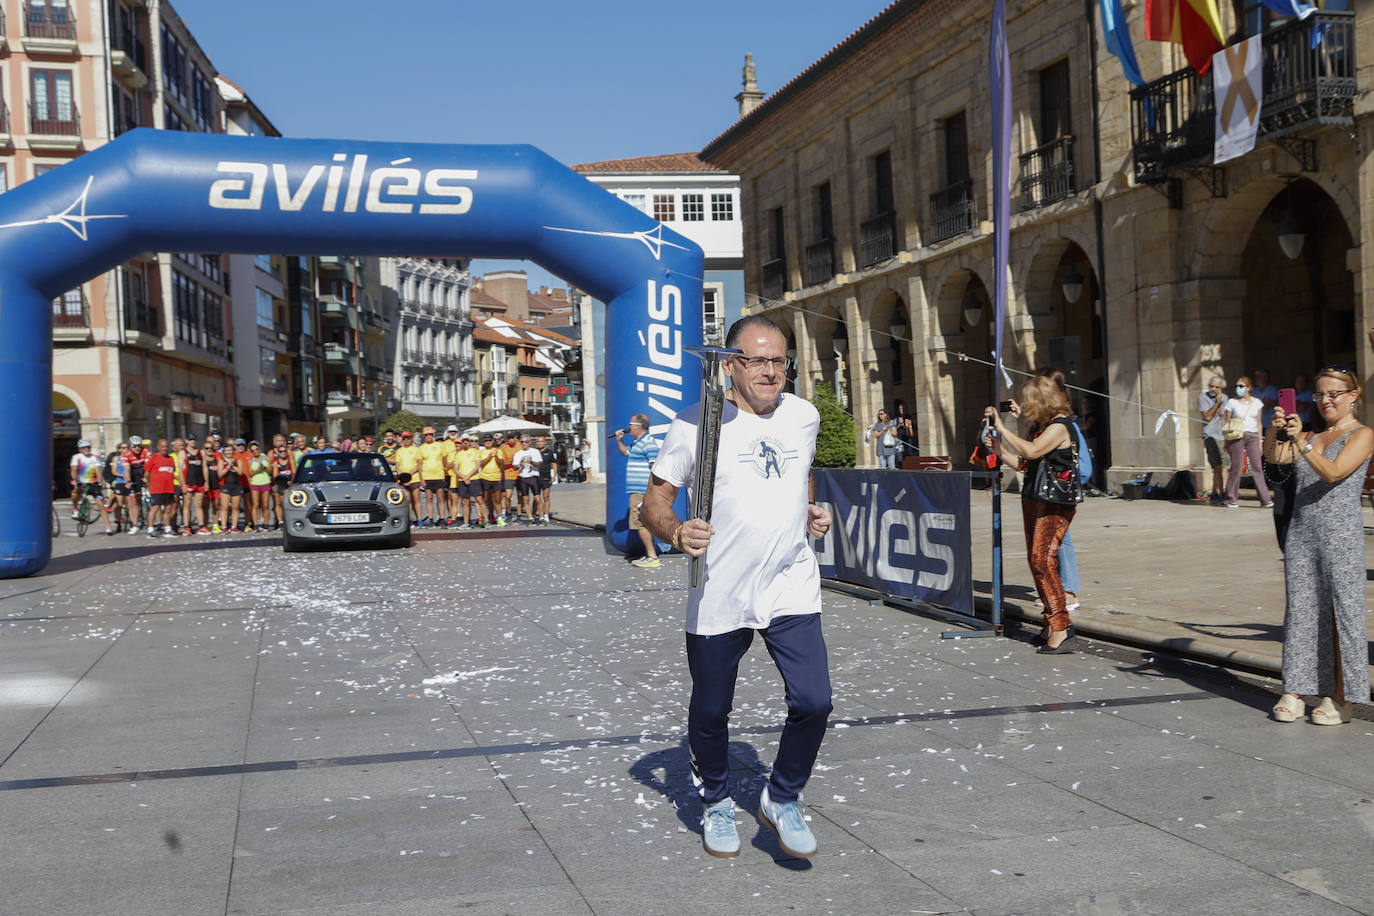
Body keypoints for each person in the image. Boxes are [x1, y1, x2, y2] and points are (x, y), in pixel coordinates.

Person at [640, 315, 833, 859]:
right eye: (758, 361)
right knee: (710, 709)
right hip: (721, 588)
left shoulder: (804, 416)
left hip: (790, 581)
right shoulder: (696, 423)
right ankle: (717, 800)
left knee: (815, 700)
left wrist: (808, 510)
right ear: (730, 366)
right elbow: (652, 503)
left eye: (780, 361)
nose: (772, 372)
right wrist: (677, 530)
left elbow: (801, 474)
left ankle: (782, 795)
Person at [1270, 366, 1373, 726]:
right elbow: (1276, 460)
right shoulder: (1312, 435)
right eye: (1319, 394)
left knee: (1342, 613)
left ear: (1352, 396)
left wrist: (1302, 444)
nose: (1326, 400)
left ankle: (1340, 698)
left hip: (1340, 535)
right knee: (1300, 610)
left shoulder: (1363, 435)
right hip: (1302, 533)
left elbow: (1333, 472)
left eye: (1334, 394)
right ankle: (1295, 690)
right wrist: (1276, 429)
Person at [984, 375, 1081, 653]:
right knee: (1037, 561)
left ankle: (1061, 627)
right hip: (1035, 499)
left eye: (1029, 402)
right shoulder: (1045, 427)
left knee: (1042, 560)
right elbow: (1025, 463)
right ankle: (1054, 622)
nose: (1026, 407)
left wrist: (1002, 427)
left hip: (1054, 503)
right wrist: (1000, 451)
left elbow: (1032, 450)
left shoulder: (1061, 427)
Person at [615, 414, 660, 568]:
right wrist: (619, 440)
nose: (629, 427)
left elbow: (655, 467)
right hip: (636, 490)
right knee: (643, 522)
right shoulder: (637, 443)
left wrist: (652, 491)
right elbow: (624, 452)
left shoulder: (648, 443)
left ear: (638, 426)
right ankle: (650, 554)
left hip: (642, 490)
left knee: (640, 522)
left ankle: (652, 556)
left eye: (630, 424)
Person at [1223, 376, 1273, 509]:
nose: (1238, 388)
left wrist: (1261, 441)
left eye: (1241, 386)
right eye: (1237, 386)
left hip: (1253, 437)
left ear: (1249, 387)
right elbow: (1227, 423)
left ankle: (1265, 499)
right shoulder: (1231, 402)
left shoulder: (1257, 402)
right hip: (1237, 436)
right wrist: (1226, 442)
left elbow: (1259, 423)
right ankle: (1231, 498)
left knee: (1257, 468)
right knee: (1236, 468)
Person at [69, 439, 113, 534]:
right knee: (74, 493)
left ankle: (108, 526)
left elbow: (98, 471)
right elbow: (73, 470)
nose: (87, 449)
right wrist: (74, 480)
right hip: (81, 483)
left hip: (93, 484)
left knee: (100, 503)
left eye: (88, 447)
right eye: (84, 447)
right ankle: (75, 509)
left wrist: (100, 481)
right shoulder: (76, 457)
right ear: (80, 449)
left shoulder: (95, 457)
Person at [1198, 376, 1228, 505]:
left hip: (1223, 435)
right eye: (1211, 386)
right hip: (1210, 436)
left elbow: (1227, 417)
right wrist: (1217, 403)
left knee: (1222, 467)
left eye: (1217, 387)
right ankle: (1220, 493)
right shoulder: (1202, 398)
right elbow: (1208, 417)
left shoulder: (1226, 398)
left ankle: (1216, 494)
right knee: (1217, 466)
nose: (1213, 389)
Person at [144, 438, 177, 537]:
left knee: (168, 509)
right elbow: (146, 473)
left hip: (169, 488)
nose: (165, 448)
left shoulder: (170, 459)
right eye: (162, 446)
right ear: (158, 447)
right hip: (156, 488)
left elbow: (171, 472)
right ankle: (150, 529)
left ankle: (167, 528)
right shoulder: (153, 458)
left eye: (166, 446)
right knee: (155, 508)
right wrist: (147, 483)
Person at [417, 426, 447, 527]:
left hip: (438, 475)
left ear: (433, 435)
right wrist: (421, 478)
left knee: (440, 498)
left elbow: (444, 459)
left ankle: (442, 518)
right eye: (426, 435)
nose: (428, 436)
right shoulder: (421, 448)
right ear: (424, 436)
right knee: (429, 498)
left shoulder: (439, 445)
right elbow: (420, 464)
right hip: (427, 476)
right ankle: (430, 518)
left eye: (430, 434)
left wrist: (443, 470)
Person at [511, 434, 542, 522]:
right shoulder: (518, 453)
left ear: (530, 442)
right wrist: (520, 463)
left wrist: (531, 461)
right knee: (525, 499)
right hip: (523, 477)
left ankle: (541, 517)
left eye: (526, 442)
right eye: (522, 442)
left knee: (537, 498)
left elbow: (538, 464)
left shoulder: (535, 451)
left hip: (533, 475)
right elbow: (514, 467)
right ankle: (530, 518)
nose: (524, 443)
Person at [392, 430, 422, 521]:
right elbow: (397, 465)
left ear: (411, 439)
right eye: (404, 438)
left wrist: (409, 474)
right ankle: (410, 520)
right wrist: (402, 476)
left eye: (408, 438)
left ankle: (419, 519)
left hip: (414, 478)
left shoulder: (416, 449)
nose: (406, 440)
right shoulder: (399, 451)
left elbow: (419, 465)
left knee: (416, 500)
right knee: (408, 500)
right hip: (403, 480)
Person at [476, 434, 505, 525]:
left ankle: (499, 518)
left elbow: (501, 464)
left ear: (493, 441)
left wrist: (495, 456)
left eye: (489, 440)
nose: (488, 442)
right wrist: (489, 457)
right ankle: (485, 518)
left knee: (497, 499)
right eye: (486, 441)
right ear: (483, 442)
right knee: (485, 499)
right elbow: (480, 464)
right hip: (484, 477)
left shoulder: (498, 451)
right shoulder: (481, 452)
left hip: (496, 477)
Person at [536, 435, 557, 524]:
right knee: (536, 498)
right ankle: (535, 515)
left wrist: (554, 475)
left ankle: (546, 515)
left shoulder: (549, 452)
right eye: (538, 441)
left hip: (546, 477)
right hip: (536, 477)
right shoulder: (534, 452)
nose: (540, 443)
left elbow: (554, 464)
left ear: (545, 442)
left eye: (541, 441)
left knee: (546, 496)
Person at [1252, 367, 1278, 432]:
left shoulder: (1272, 390)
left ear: (1265, 378)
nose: (1256, 378)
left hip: (1268, 426)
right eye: (1255, 376)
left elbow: (1264, 408)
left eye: (1258, 377)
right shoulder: (1254, 391)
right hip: (1255, 427)